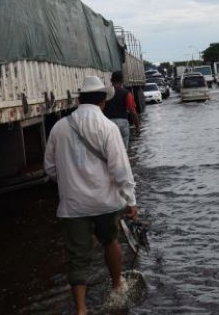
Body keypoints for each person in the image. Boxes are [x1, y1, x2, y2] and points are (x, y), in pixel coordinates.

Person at [44, 76, 139, 315]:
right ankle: (117, 286)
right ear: (103, 101)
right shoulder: (108, 128)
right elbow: (121, 169)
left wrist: (70, 183)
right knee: (110, 241)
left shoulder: (59, 127)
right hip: (106, 203)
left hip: (73, 207)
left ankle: (81, 309)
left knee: (76, 258)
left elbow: (50, 168)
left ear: (79, 99)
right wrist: (131, 201)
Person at [104, 71, 140, 149]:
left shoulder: (105, 93)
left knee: (110, 151)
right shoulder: (126, 93)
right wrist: (137, 127)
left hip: (108, 124)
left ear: (111, 80)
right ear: (122, 81)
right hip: (122, 123)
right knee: (123, 152)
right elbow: (132, 111)